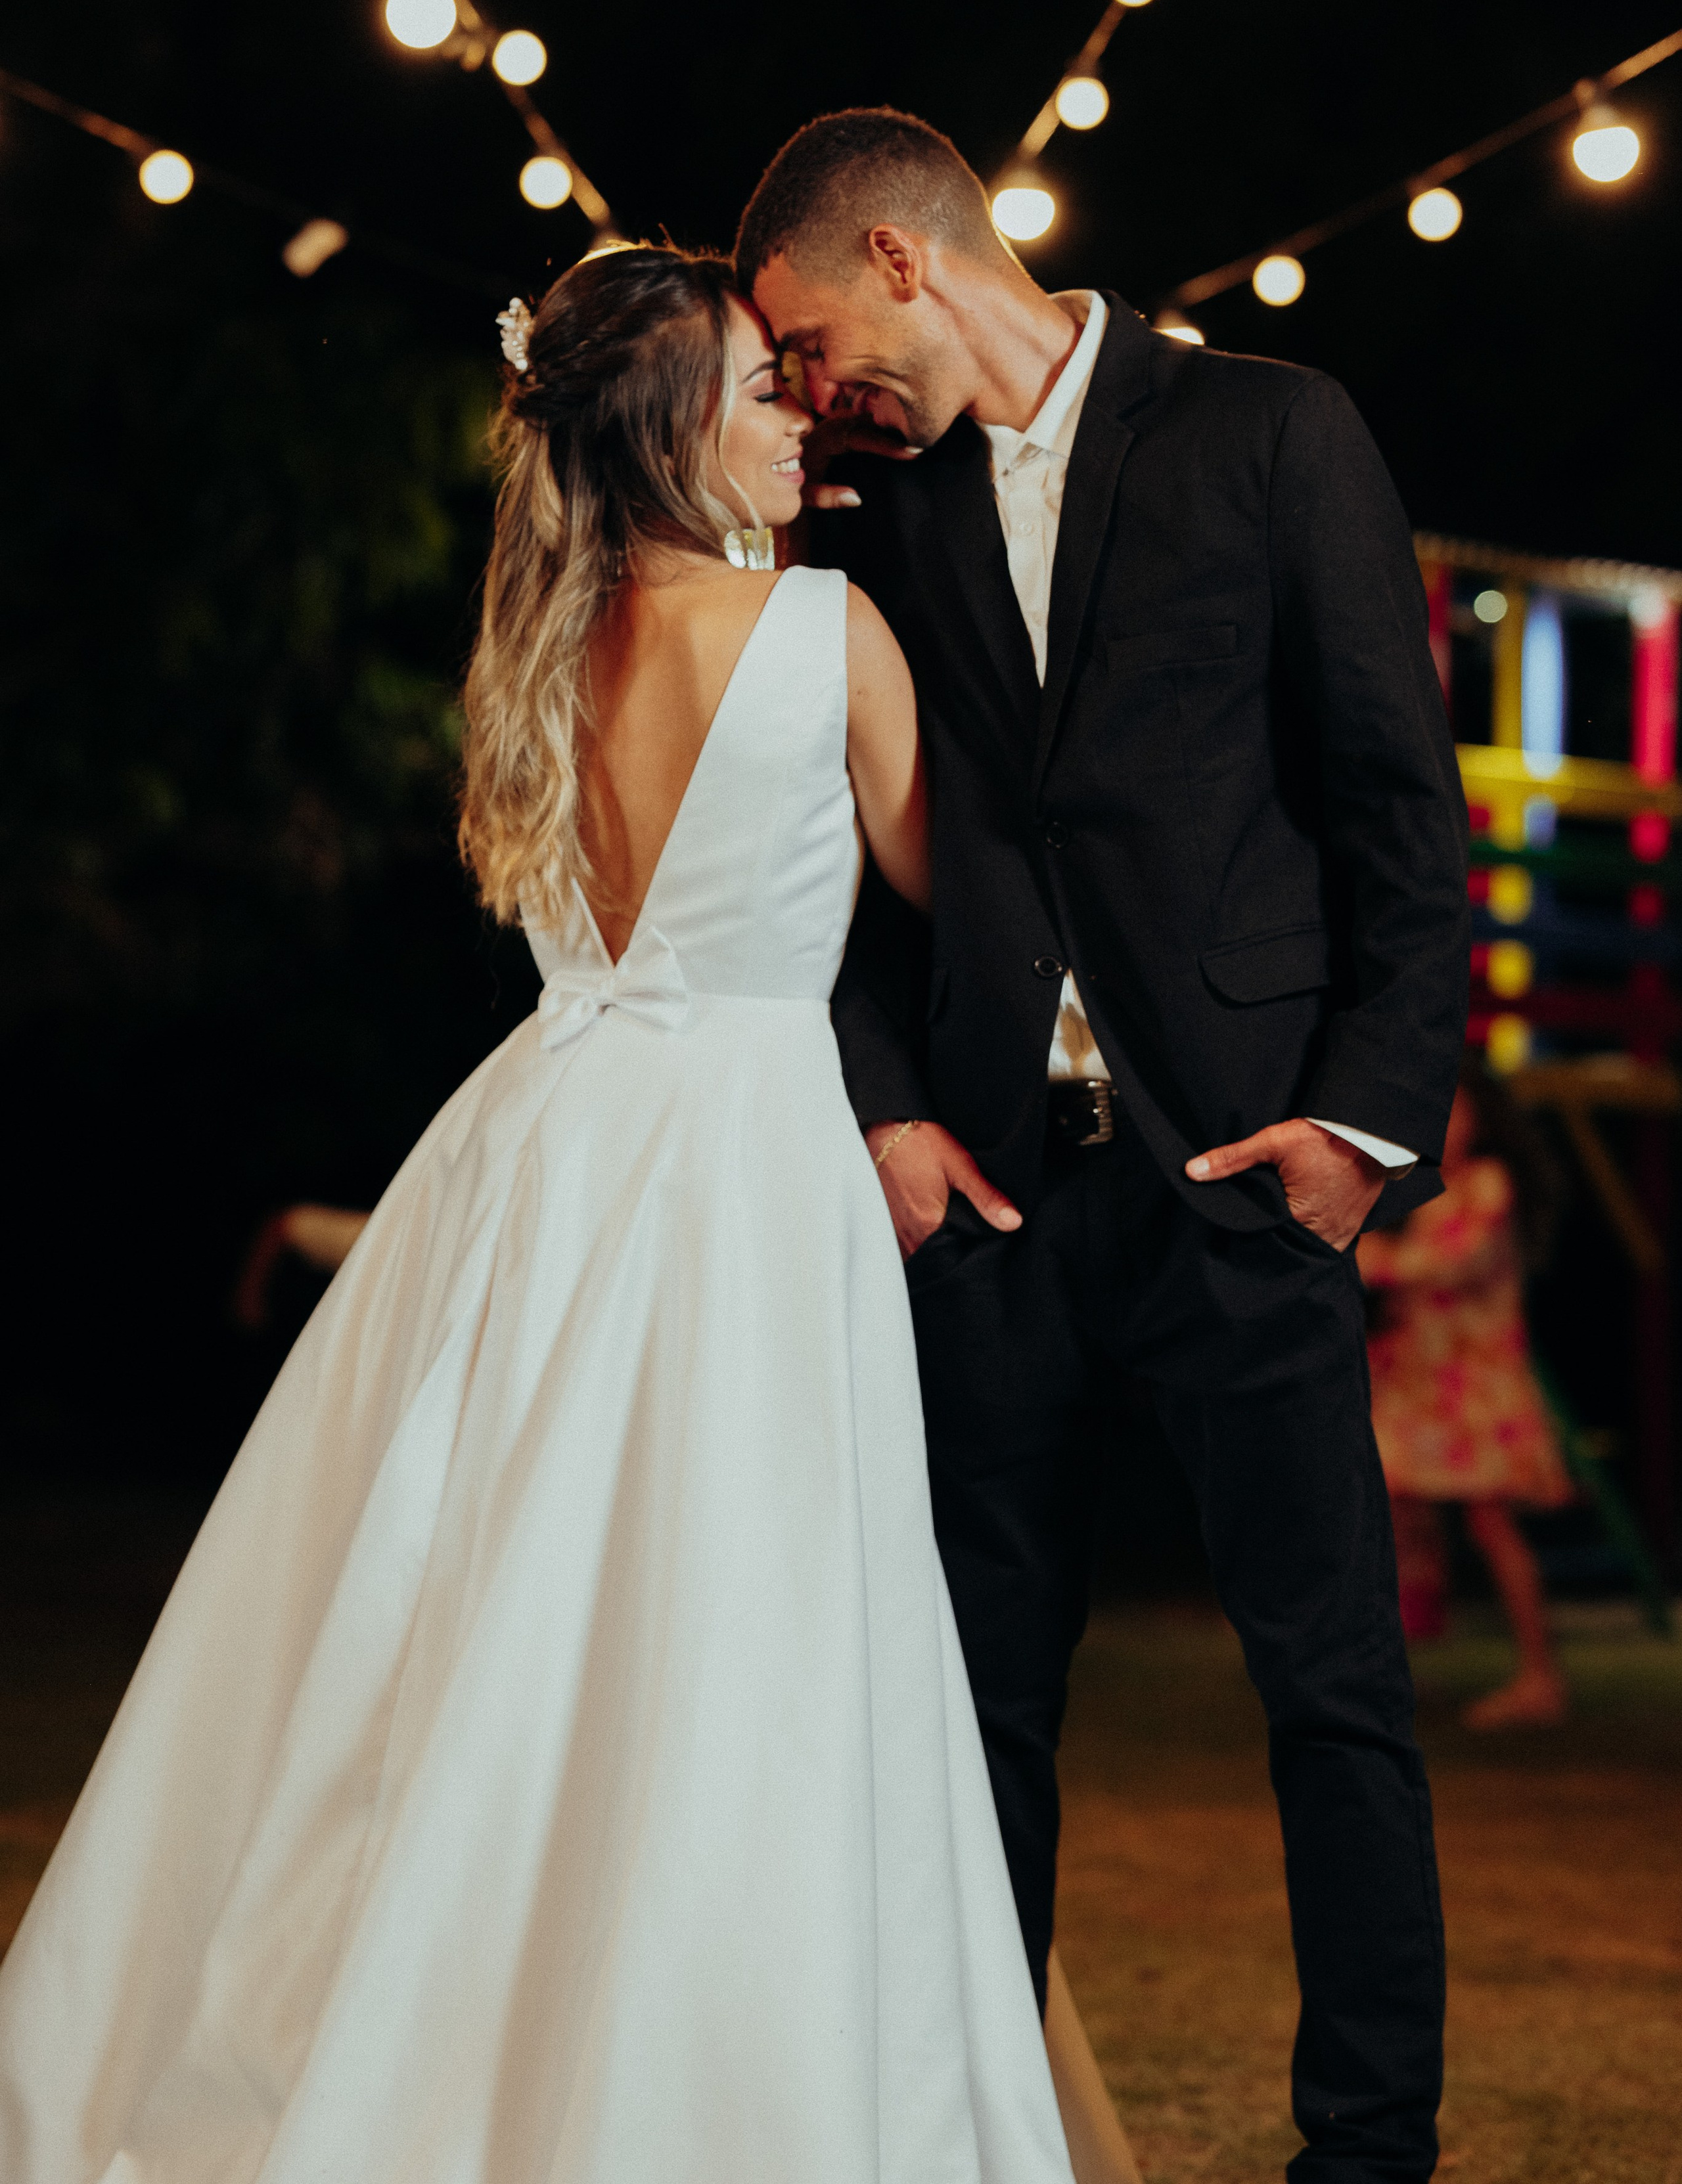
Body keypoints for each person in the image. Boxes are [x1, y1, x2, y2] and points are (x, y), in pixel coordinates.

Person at [0, 246, 1083, 2184]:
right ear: (666, 421)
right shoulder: (822, 633)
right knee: (734, 1608)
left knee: (463, 1603)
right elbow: (967, 895)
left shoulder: (536, 647)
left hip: (542, 1145)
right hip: (740, 1158)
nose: (798, 417)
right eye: (762, 387)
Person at [739, 108, 1472, 2184]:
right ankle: (978, 2141)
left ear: (898, 259)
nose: (805, 397)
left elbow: (1398, 819)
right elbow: (830, 868)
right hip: (988, 1204)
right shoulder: (883, 515)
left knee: (1330, 1697)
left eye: (802, 344)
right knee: (975, 1721)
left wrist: (1350, 1130)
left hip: (1246, 1182)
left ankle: (1365, 2151)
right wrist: (882, 1103)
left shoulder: (1271, 429)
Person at [1360, 1054, 1573, 1729]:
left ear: (1481, 1120)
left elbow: (1451, 1263)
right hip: (1417, 1387)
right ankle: (1390, 1669)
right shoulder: (1424, 1185)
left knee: (1491, 1522)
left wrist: (1373, 1260)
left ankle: (1541, 1675)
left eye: (1453, 1111)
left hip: (1473, 1390)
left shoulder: (1485, 1183)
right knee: (1384, 1517)